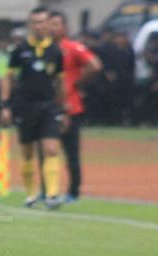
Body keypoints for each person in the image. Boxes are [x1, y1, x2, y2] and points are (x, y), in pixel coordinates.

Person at [0, 6, 66, 209]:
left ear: (48, 24)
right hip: (25, 106)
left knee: (51, 149)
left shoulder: (55, 51)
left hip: (48, 106)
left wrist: (63, 107)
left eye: (42, 21)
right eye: (35, 22)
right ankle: (30, 194)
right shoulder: (20, 50)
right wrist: (5, 105)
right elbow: (8, 78)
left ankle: (52, 195)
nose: (39, 26)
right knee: (27, 152)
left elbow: (59, 81)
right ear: (30, 25)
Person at [48, 11, 102, 203]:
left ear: (64, 28)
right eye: (49, 24)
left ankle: (73, 191)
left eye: (56, 24)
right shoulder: (42, 49)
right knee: (46, 150)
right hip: (46, 106)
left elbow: (94, 65)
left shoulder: (71, 47)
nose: (51, 28)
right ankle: (47, 190)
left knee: (71, 151)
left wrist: (77, 83)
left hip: (70, 106)